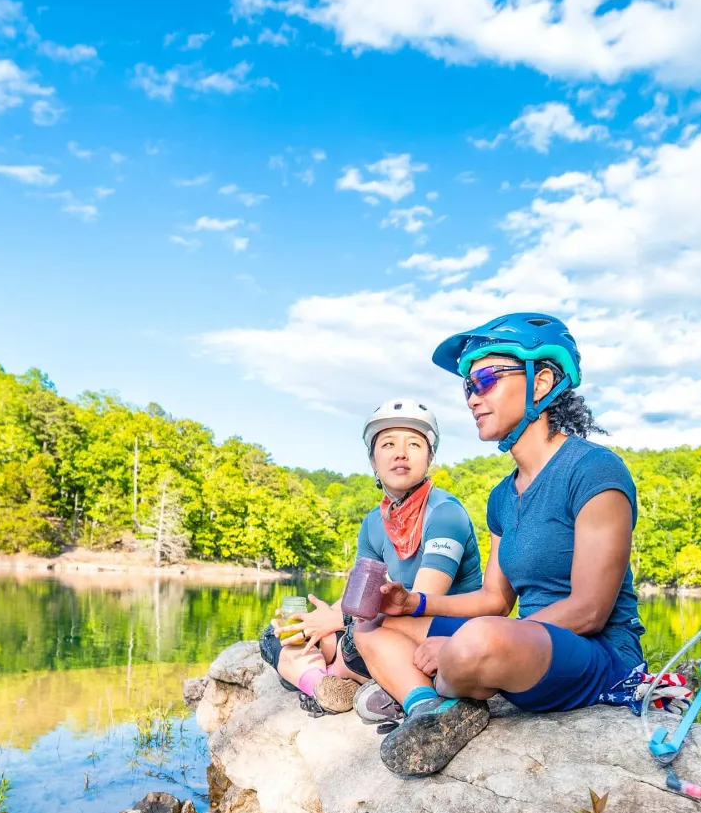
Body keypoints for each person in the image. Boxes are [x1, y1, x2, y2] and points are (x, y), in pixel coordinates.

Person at [355, 313, 646, 776]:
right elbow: (495, 599)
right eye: (468, 387)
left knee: (479, 642)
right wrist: (413, 603)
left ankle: (450, 680)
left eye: (486, 379)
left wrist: (457, 649)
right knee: (371, 627)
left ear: (541, 381)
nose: (473, 397)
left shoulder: (594, 471)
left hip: (598, 652)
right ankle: (429, 708)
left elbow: (590, 610)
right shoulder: (501, 497)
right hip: (523, 644)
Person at [263, 399, 483, 715]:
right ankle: (328, 686)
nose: (401, 453)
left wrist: (337, 621)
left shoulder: (446, 514)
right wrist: (318, 621)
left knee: (356, 636)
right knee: (278, 636)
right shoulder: (373, 522)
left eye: (414, 444)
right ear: (373, 459)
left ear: (430, 457)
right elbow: (358, 599)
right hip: (390, 627)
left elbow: (425, 600)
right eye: (388, 443)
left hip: (440, 633)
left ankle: (334, 676)